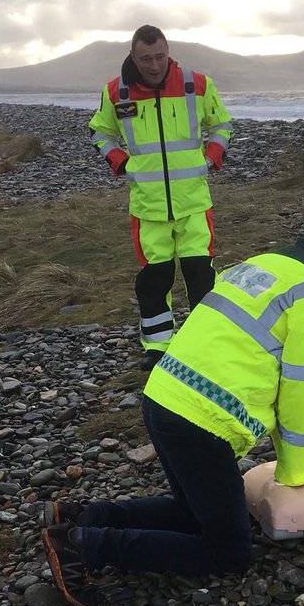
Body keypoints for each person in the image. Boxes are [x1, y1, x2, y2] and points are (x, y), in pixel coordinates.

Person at [42, 202, 304, 606]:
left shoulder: (265, 264)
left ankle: (83, 516)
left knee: (194, 510)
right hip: (202, 423)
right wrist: (295, 472)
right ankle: (85, 546)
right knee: (230, 552)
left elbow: (247, 362)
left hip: (163, 395)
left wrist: (301, 463)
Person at [89, 25, 234, 371]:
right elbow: (100, 131)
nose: (154, 65)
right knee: (154, 280)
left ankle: (205, 343)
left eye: (159, 57)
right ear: (133, 57)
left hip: (194, 203)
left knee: (201, 275)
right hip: (148, 206)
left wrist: (212, 157)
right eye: (145, 59)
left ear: (168, 52)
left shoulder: (196, 84)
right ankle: (158, 350)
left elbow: (222, 124)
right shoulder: (116, 92)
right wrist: (120, 163)